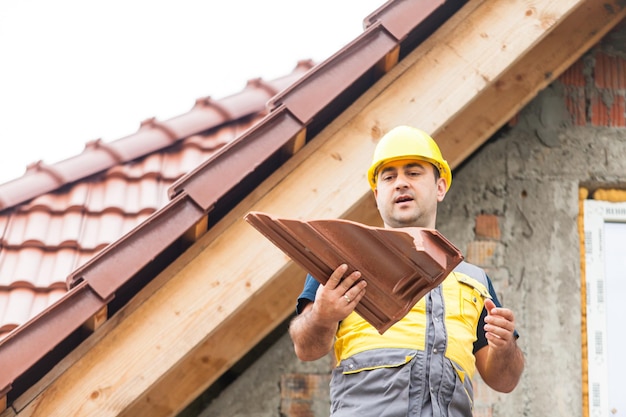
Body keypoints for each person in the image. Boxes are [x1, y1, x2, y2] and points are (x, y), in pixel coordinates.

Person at [288, 126, 524, 416]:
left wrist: (504, 347)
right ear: (377, 194)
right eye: (389, 177)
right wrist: (323, 315)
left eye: (413, 173)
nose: (400, 183)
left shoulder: (474, 280)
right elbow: (306, 348)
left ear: (440, 187)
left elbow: (504, 380)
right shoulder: (342, 260)